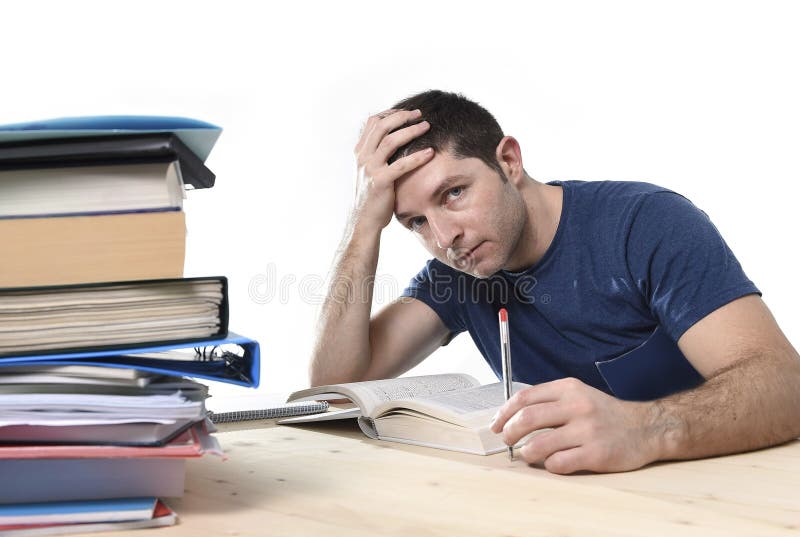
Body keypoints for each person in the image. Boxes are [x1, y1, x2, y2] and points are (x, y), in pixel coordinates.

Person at [308, 90, 800, 474]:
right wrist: (363, 224)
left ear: (509, 161)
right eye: (415, 222)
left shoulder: (645, 224)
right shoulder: (458, 271)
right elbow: (333, 389)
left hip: (720, 492)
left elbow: (785, 385)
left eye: (454, 192)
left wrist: (644, 430)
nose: (444, 236)